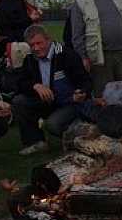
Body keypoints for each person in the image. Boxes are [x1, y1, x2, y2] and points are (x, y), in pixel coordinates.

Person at [11, 25, 100, 155]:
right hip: (47, 101)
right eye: (32, 45)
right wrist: (35, 85)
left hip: (70, 102)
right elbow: (19, 83)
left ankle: (81, 134)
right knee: (19, 101)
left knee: (53, 124)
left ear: (48, 40)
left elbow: (85, 81)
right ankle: (36, 142)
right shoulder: (30, 59)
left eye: (39, 43)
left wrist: (81, 92)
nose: (36, 48)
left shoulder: (66, 54)